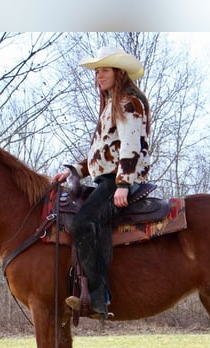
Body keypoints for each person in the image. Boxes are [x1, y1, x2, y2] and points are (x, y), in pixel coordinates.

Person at [52, 46, 152, 320]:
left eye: (104, 70)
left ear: (119, 73)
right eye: (97, 71)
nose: (99, 76)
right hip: (107, 178)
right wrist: (74, 170)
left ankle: (99, 298)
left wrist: (123, 183)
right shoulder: (110, 103)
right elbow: (102, 153)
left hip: (119, 181)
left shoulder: (128, 101)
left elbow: (131, 145)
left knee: (84, 222)